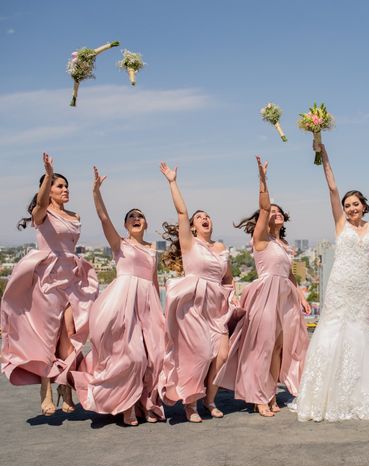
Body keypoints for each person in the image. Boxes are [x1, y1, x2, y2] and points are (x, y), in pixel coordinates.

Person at [291, 144, 369, 422]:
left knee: (359, 337)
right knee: (331, 335)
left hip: (361, 288)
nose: (351, 208)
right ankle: (321, 394)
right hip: (339, 286)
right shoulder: (341, 224)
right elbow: (333, 188)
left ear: (364, 206)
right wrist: (323, 154)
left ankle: (355, 394)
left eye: (355, 204)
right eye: (347, 205)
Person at [1, 153, 98, 415]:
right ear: (48, 190)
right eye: (59, 186)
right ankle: (45, 389)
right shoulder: (41, 213)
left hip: (72, 279)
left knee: (70, 333)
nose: (65, 190)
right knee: (47, 336)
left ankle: (64, 385)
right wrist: (47, 173)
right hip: (47, 280)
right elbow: (42, 201)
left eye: (66, 186)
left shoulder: (74, 214)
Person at [215, 156, 310, 417]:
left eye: (280, 211)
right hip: (265, 295)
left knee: (279, 346)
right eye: (272, 211)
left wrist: (300, 296)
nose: (276, 213)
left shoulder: (284, 246)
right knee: (263, 345)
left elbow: (289, 274)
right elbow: (265, 208)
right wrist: (263, 180)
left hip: (285, 297)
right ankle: (259, 397)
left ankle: (269, 390)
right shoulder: (260, 239)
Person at [71, 167, 165, 426]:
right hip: (122, 305)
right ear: (125, 225)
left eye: (141, 216)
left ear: (146, 224)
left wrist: (159, 313)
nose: (136, 218)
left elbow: (155, 283)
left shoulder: (152, 250)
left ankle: (143, 402)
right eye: (131, 216)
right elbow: (103, 218)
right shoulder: (120, 244)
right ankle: (126, 406)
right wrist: (96, 191)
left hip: (147, 307)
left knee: (151, 357)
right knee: (132, 356)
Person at [159, 162, 239, 422]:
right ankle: (191, 404)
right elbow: (182, 212)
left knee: (222, 354)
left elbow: (228, 278)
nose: (205, 218)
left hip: (217, 307)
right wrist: (172, 181)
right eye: (199, 217)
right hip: (193, 305)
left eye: (208, 216)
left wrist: (232, 297)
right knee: (200, 354)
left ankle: (210, 398)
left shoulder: (221, 247)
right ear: (193, 226)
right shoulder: (189, 244)